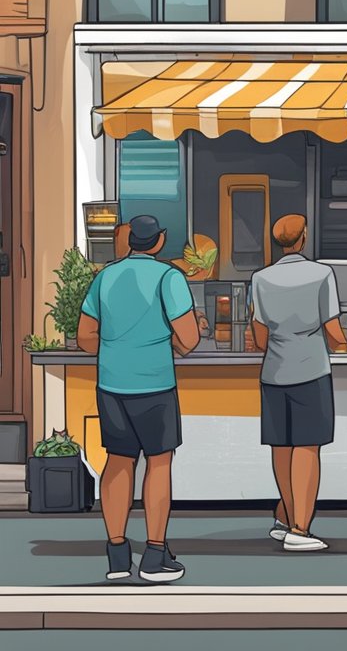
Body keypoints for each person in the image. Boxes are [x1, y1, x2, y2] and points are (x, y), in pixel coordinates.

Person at [77, 215, 201, 583]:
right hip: (155, 385)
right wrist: (169, 344)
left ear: (130, 240)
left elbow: (86, 337)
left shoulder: (105, 276)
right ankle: (154, 556)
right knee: (158, 465)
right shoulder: (169, 278)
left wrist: (120, 348)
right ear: (159, 241)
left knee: (118, 463)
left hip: (112, 385)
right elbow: (190, 339)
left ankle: (117, 557)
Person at [250, 214, 347, 552]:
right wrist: (346, 343)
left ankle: (288, 519)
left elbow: (260, 338)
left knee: (282, 448)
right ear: (303, 237)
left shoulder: (260, 279)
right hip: (310, 371)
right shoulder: (322, 274)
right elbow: (333, 333)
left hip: (274, 373)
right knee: (307, 448)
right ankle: (301, 530)